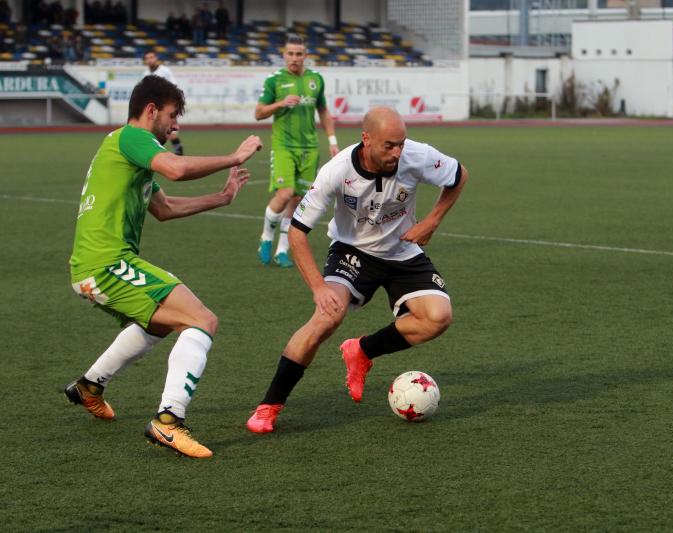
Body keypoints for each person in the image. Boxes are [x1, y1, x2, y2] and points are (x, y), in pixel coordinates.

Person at [64, 75, 262, 458]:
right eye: (172, 116)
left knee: (160, 322)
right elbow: (175, 168)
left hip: (97, 265)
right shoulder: (134, 138)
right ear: (151, 110)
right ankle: (168, 421)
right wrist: (234, 157)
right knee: (201, 320)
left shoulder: (130, 152)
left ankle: (89, 386)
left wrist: (220, 198)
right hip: (106, 263)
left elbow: (165, 208)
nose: (176, 126)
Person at [246, 107, 468, 433]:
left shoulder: (416, 155)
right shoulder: (336, 171)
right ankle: (269, 407)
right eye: (389, 145)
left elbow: (458, 175)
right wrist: (319, 289)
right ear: (366, 139)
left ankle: (362, 351)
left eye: (401, 144)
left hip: (403, 249)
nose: (397, 153)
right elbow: (296, 232)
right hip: (353, 251)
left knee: (438, 317)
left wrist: (432, 221)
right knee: (326, 318)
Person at [255, 34, 338, 268]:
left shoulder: (316, 79)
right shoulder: (275, 81)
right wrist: (280, 104)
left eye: (299, 54)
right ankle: (265, 238)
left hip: (309, 148)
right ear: (284, 55)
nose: (294, 58)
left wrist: (332, 140)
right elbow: (259, 113)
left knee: (298, 199)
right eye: (290, 53)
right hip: (284, 146)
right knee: (284, 194)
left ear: (305, 55)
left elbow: (323, 110)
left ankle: (282, 250)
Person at [143, 50, 185, 155]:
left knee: (171, 131)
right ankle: (156, 153)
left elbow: (174, 86)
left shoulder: (164, 71)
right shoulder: (146, 74)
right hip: (154, 107)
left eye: (151, 57)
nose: (150, 60)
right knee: (153, 130)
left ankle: (179, 153)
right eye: (147, 58)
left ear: (156, 58)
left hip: (166, 105)